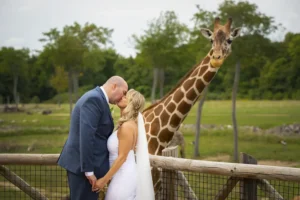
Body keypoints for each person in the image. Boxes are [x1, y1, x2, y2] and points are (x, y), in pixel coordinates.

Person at [57, 76, 128, 200]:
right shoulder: (94, 99)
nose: (123, 97)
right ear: (114, 86)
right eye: (124, 93)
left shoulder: (98, 99)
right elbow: (86, 136)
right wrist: (89, 171)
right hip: (83, 170)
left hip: (86, 169)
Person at [92, 89, 155, 200]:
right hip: (120, 176)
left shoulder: (127, 127)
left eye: (126, 97)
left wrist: (104, 180)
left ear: (131, 104)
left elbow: (122, 157)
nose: (121, 97)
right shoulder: (127, 125)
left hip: (123, 177)